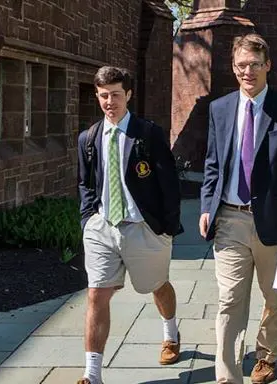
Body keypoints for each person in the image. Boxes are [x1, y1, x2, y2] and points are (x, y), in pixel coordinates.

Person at [198, 33, 277, 384]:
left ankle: (266, 355)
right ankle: (227, 375)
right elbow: (212, 164)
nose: (247, 72)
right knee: (230, 299)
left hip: (276, 221)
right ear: (234, 68)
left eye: (254, 65)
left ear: (268, 66)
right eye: (241, 65)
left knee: (276, 295)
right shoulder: (219, 109)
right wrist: (207, 205)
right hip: (230, 217)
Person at [76, 66, 184, 384]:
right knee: (96, 294)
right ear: (97, 96)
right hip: (102, 228)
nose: (110, 102)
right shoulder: (88, 139)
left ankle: (171, 334)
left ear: (129, 95)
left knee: (158, 285)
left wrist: (166, 227)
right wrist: (88, 220)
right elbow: (85, 184)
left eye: (116, 95)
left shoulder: (148, 134)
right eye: (104, 95)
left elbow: (169, 184)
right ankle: (92, 374)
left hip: (143, 227)